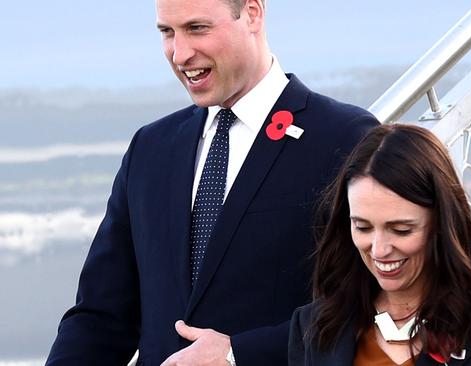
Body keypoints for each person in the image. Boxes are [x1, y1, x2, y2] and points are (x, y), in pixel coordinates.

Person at [45, 0, 378, 365]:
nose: (180, 53)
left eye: (197, 28)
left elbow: (367, 302)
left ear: (252, 13)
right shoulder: (150, 148)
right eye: (167, 32)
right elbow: (101, 315)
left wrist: (238, 353)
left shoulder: (346, 138)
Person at [289, 124, 471, 365]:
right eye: (363, 227)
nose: (379, 249)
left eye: (401, 230)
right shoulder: (314, 327)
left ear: (442, 223)